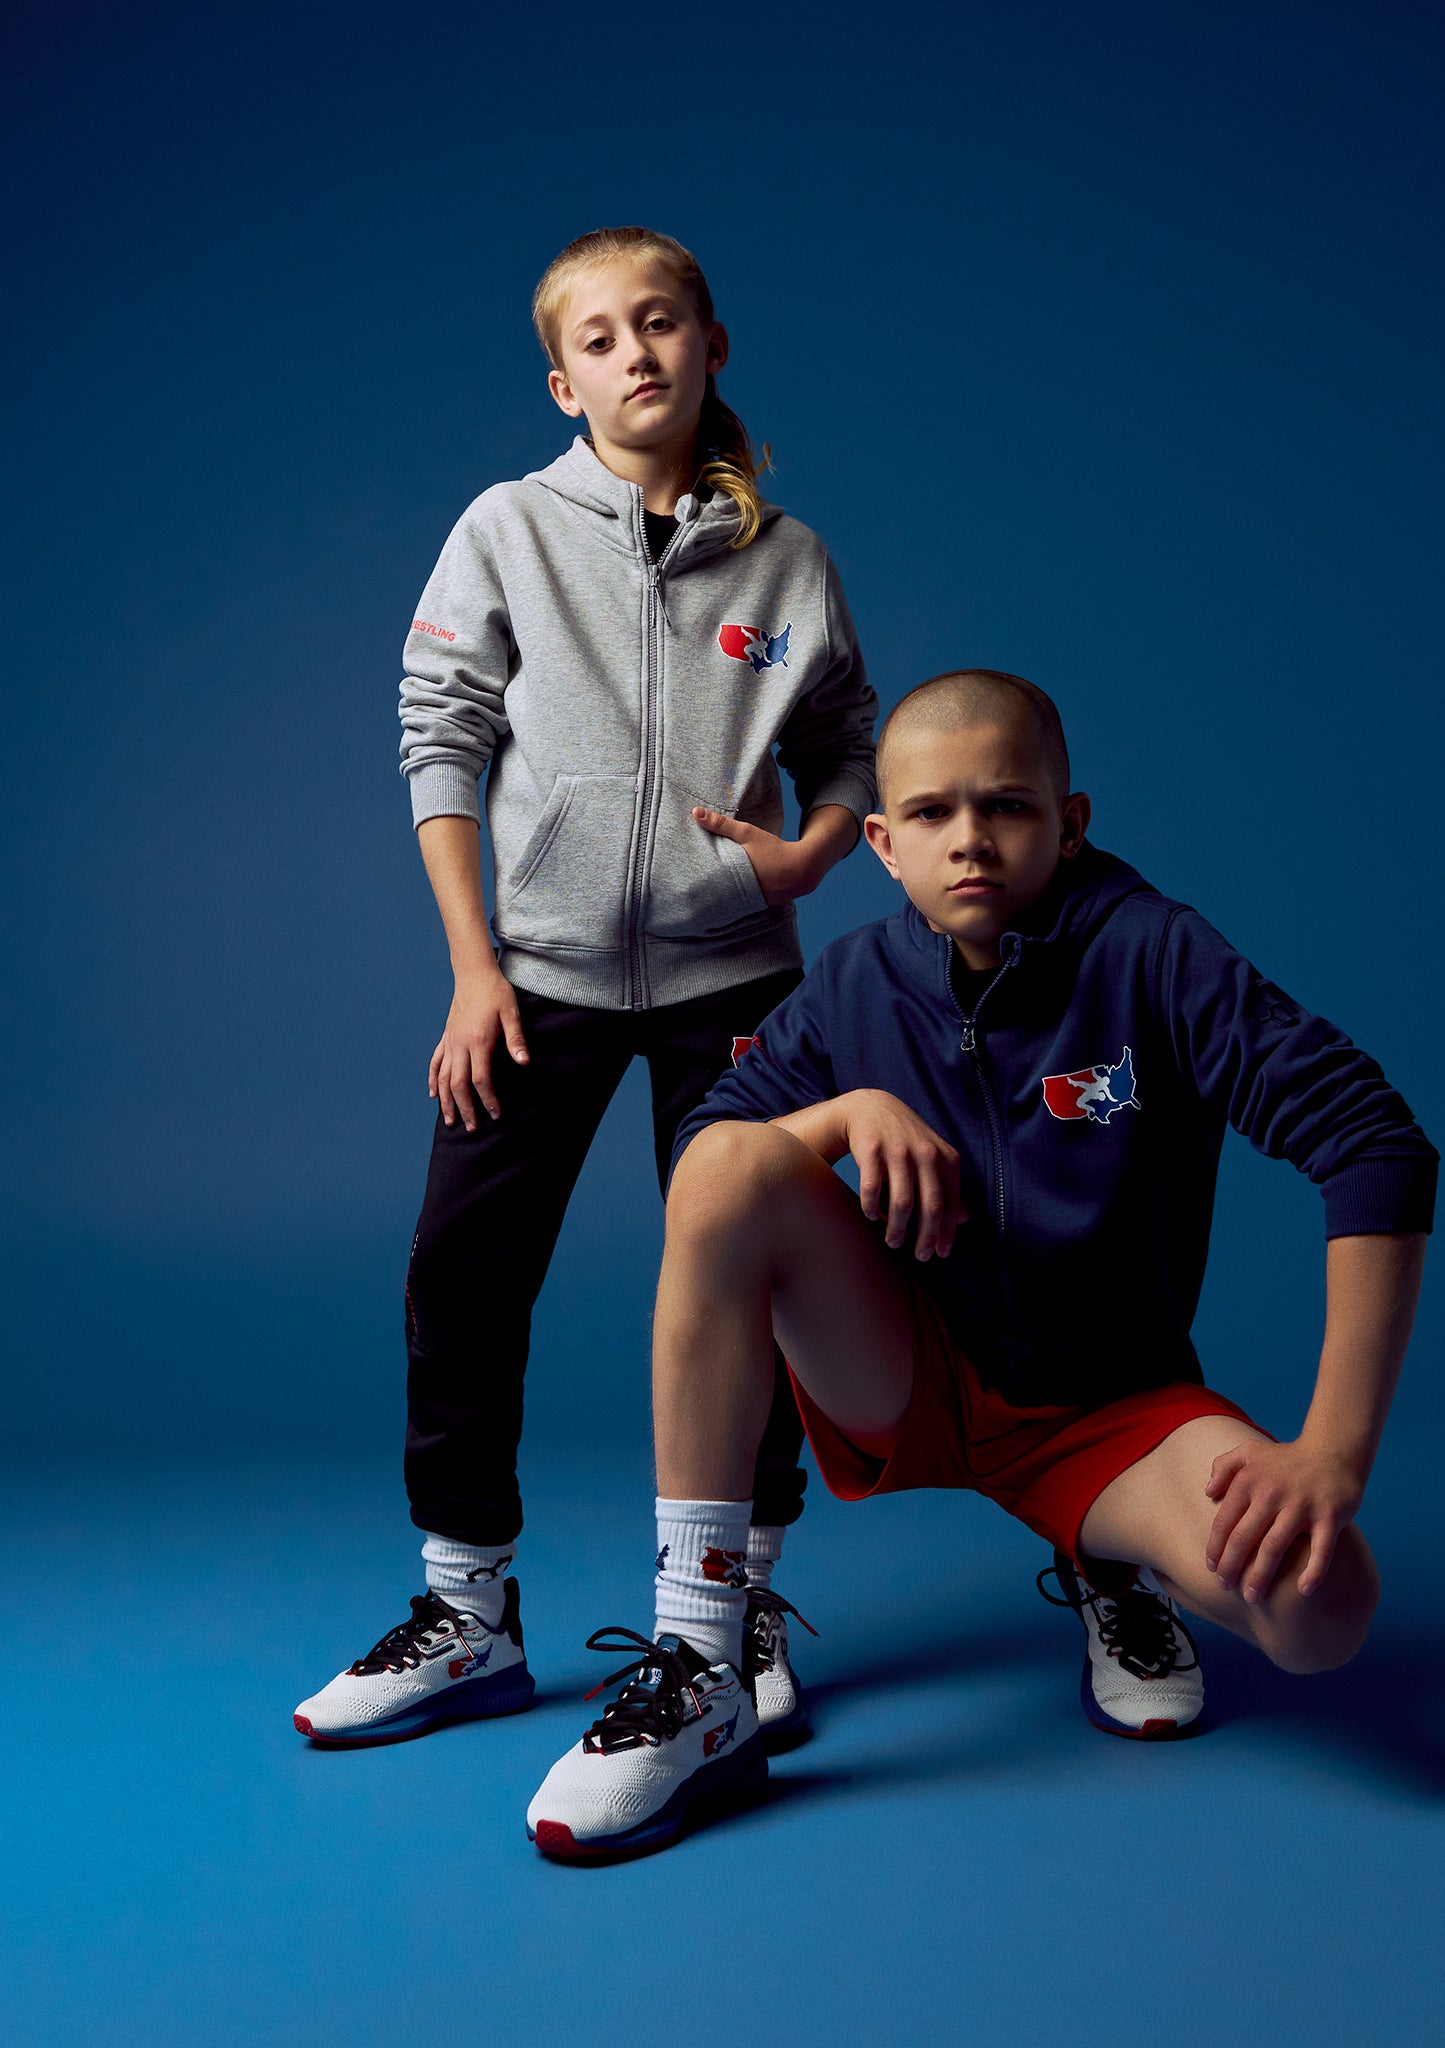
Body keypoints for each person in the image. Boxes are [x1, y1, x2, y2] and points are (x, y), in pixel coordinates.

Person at [524, 668, 1436, 1862]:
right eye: (937, 815)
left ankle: (1111, 1557)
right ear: (886, 845)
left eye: (1006, 806)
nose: (973, 841)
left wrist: (1331, 1452)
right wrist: (846, 1114)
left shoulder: (1151, 949)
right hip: (905, 1369)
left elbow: (1374, 1141)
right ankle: (701, 1659)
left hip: (1107, 1415)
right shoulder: (854, 982)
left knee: (1327, 1606)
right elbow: (708, 1161)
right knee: (733, 1171)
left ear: (1070, 820)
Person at [292, 227, 877, 1749]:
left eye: (662, 323)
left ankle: (732, 1601)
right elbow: (442, 731)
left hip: (734, 977)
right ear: (564, 384)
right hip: (536, 977)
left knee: (738, 1282)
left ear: (711, 344)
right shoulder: (505, 528)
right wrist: (473, 968)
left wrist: (809, 862)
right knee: (463, 1275)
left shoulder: (789, 558)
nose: (638, 353)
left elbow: (853, 749)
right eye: (602, 339)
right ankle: (468, 1612)